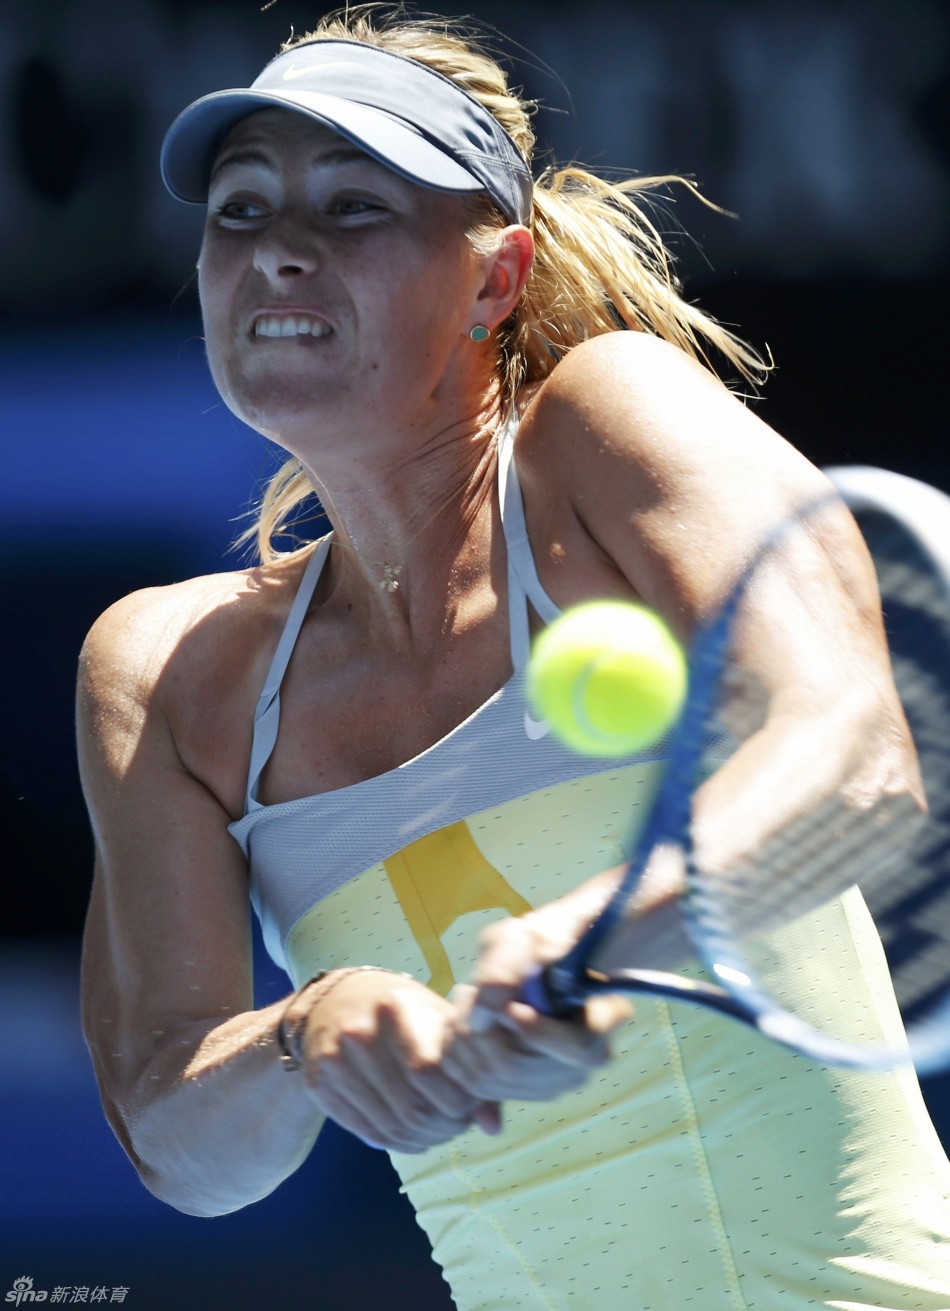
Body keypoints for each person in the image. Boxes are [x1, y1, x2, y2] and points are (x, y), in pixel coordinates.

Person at [78, 7, 950, 1308]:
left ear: (495, 277)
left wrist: (597, 929)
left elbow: (857, 762)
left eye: (353, 207)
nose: (279, 253)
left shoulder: (610, 422)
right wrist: (306, 1034)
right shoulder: (164, 670)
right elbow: (182, 1149)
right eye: (241, 209)